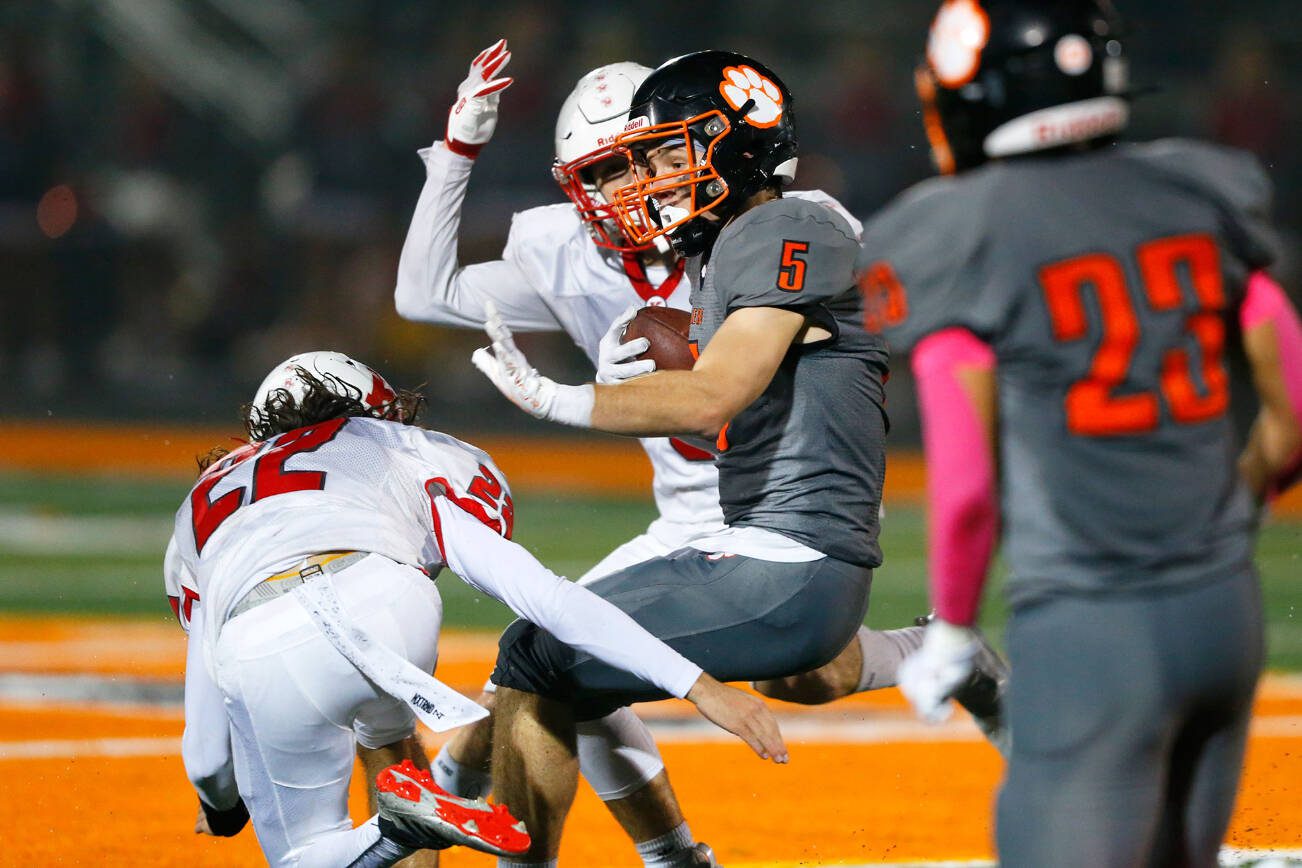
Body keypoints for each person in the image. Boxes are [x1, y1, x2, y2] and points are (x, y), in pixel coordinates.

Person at [394, 41, 968, 867]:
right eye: (605, 171)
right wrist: (457, 154)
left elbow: (722, 394)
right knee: (557, 655)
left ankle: (456, 786)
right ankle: (601, 832)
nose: (624, 188)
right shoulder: (590, 244)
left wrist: (570, 395)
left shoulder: (780, 227)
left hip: (783, 505)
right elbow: (423, 295)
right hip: (698, 515)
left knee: (586, 658)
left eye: (651, 159)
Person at [861, 2, 1302, 865]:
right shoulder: (1195, 186)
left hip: (1092, 626)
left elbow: (967, 487)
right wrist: (1224, 519)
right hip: (1223, 612)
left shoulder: (954, 230)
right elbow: (1290, 421)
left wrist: (952, 627)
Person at [164, 350, 786, 868]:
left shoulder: (202, 503)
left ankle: (399, 828)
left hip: (260, 635)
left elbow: (208, 755)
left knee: (311, 854)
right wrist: (697, 684)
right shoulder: (398, 446)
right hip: (390, 604)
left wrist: (222, 804)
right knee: (389, 714)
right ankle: (415, 812)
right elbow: (547, 598)